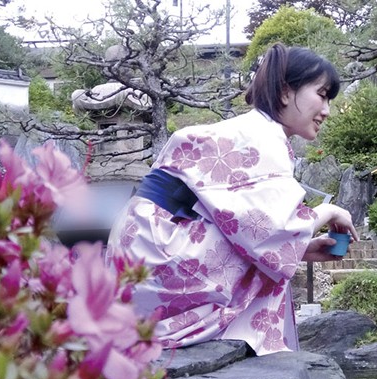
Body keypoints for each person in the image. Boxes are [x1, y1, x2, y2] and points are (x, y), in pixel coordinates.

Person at [106, 43, 358, 356]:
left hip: (141, 253)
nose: (327, 110)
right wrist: (329, 211)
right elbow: (271, 229)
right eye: (321, 94)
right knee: (268, 258)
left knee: (268, 253)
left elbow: (251, 228)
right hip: (158, 256)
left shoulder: (252, 130)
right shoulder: (263, 138)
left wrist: (302, 249)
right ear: (285, 92)